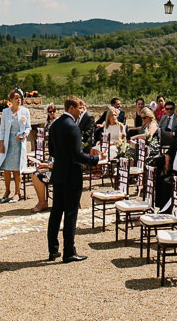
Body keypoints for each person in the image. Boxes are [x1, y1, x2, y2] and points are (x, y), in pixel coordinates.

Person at [47, 96, 102, 263]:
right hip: (71, 176)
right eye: (79, 108)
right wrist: (96, 159)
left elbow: (52, 152)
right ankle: (69, 251)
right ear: (71, 108)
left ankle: (53, 250)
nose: (81, 111)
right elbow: (77, 155)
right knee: (70, 214)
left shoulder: (55, 124)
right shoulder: (73, 127)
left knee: (56, 213)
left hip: (58, 174)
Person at [0, 88, 32, 203]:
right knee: (7, 169)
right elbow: (2, 130)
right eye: (16, 98)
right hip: (8, 143)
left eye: (20, 98)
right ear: (11, 99)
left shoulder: (25, 111)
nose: (18, 100)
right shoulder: (6, 112)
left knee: (17, 169)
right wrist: (1, 144)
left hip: (19, 144)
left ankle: (17, 192)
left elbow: (28, 127)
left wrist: (24, 135)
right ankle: (7, 190)